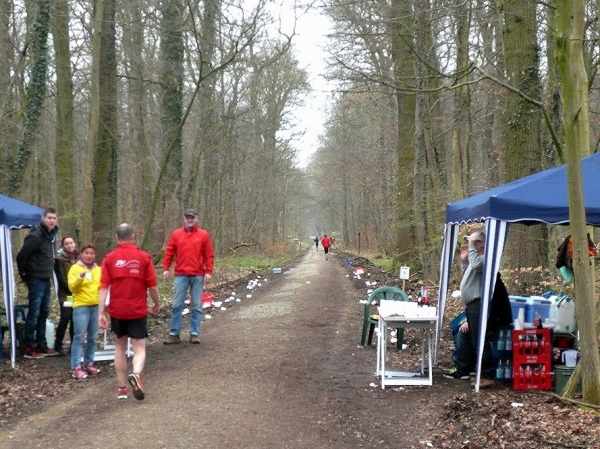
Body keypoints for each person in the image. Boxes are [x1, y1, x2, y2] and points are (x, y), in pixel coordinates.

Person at [98, 223, 159, 400]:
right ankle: (136, 374)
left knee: (119, 347)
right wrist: (156, 303)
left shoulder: (109, 258)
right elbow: (152, 286)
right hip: (137, 310)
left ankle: (122, 388)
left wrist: (101, 313)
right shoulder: (144, 257)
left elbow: (103, 288)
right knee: (139, 348)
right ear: (132, 236)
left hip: (117, 311)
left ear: (117, 237)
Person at [443, 231, 496, 387]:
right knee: (467, 335)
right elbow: (468, 272)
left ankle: (488, 374)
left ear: (481, 244)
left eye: (474, 242)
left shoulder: (486, 258)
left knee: (480, 339)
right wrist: (464, 260)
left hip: (479, 303)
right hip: (472, 304)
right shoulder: (475, 259)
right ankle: (466, 369)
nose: (470, 244)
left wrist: (471, 249)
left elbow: (477, 266)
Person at [162, 209, 214, 345]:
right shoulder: (176, 234)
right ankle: (174, 334)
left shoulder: (203, 235)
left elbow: (208, 254)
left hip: (198, 274)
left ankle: (194, 333)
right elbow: (169, 251)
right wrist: (166, 268)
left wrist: (208, 271)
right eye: (187, 218)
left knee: (196, 305)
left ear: (197, 219)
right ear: (184, 219)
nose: (189, 220)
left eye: (192, 218)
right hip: (181, 274)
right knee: (176, 305)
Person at [16, 207, 60, 358]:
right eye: (49, 218)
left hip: (46, 278)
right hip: (35, 278)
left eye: (54, 218)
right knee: (34, 312)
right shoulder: (36, 235)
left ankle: (42, 344)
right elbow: (21, 256)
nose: (52, 221)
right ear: (43, 218)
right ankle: (29, 345)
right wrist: (24, 274)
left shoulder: (50, 236)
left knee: (44, 312)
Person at [68, 244, 102, 379]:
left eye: (91, 253)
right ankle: (76, 367)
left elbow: (102, 286)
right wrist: (80, 278)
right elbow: (72, 288)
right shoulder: (75, 268)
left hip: (96, 305)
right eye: (86, 253)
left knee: (92, 337)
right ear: (82, 254)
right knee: (79, 337)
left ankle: (88, 363)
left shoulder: (98, 269)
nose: (89, 256)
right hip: (81, 305)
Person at [53, 236, 79, 355]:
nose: (69, 245)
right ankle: (58, 344)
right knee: (65, 317)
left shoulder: (77, 258)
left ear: (74, 244)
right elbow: (61, 279)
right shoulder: (59, 259)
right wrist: (72, 289)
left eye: (71, 243)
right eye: (66, 244)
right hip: (65, 293)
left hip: (77, 294)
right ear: (63, 246)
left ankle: (73, 346)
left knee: (74, 319)